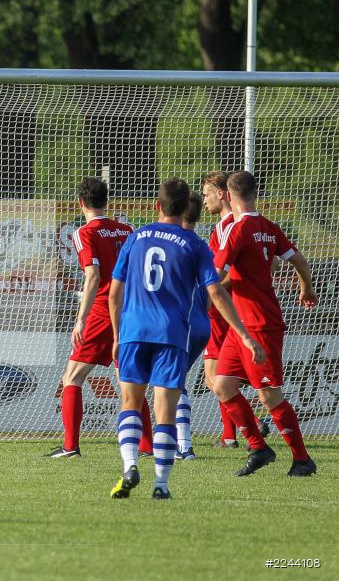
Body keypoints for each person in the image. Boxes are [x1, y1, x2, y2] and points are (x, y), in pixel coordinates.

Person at [108, 178, 264, 500]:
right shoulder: (194, 245)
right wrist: (244, 334)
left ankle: (129, 465)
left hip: (134, 331)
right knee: (164, 408)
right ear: (186, 209)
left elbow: (114, 293)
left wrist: (116, 334)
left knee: (130, 403)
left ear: (157, 205)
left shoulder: (136, 237)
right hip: (172, 334)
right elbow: (216, 292)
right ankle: (161, 484)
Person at [212, 171, 318, 477]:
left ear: (229, 196)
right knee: (223, 385)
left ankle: (302, 459)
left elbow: (217, 272)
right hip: (242, 324)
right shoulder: (269, 228)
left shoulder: (237, 229)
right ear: (255, 194)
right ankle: (259, 448)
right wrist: (306, 288)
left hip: (260, 322)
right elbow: (299, 260)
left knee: (268, 393)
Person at [45, 177, 147, 458]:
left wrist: (80, 319)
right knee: (129, 380)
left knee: (72, 377)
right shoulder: (127, 230)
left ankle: (70, 446)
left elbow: (93, 276)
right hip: (131, 310)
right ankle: (148, 445)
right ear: (107, 201)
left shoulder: (84, 233)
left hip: (103, 310)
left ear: (81, 202)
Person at [201, 171, 269, 448]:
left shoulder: (229, 227)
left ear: (222, 194)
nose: (203, 200)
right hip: (233, 309)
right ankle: (232, 434)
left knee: (215, 378)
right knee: (219, 378)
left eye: (206, 194)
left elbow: (222, 276)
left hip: (221, 311)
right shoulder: (237, 225)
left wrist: (210, 295)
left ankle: (239, 431)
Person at [172, 192, 213, 460]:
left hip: (181, 324)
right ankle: (180, 443)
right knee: (174, 381)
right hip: (200, 322)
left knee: (172, 383)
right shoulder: (202, 246)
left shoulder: (175, 245)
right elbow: (211, 295)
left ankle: (184, 446)